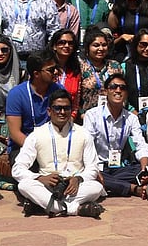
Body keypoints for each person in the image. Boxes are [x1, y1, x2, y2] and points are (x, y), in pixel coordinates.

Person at [13, 88, 105, 217]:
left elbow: (93, 167)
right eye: (57, 108)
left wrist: (78, 179)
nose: (62, 112)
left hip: (75, 187)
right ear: (49, 111)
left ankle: (46, 207)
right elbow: (17, 169)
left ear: (71, 111)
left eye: (66, 108)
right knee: (24, 185)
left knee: (96, 187)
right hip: (48, 186)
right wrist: (40, 178)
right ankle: (75, 209)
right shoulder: (37, 135)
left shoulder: (84, 134)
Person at [81, 73, 148, 199]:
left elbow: (140, 144)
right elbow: (87, 147)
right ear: (105, 91)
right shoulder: (92, 115)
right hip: (98, 166)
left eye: (122, 88)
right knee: (89, 174)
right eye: (113, 87)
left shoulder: (131, 118)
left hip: (120, 167)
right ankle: (132, 188)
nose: (118, 90)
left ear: (126, 93)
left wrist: (144, 169)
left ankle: (109, 185)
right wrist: (94, 170)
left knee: (141, 169)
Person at [4, 52, 66, 158]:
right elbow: (15, 133)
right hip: (23, 146)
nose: (55, 72)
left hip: (54, 145)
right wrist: (39, 149)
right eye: (51, 70)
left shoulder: (59, 90)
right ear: (36, 74)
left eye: (56, 68)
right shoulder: (16, 94)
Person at [78, 29, 123, 114]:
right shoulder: (80, 67)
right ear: (87, 47)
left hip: (113, 115)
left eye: (104, 45)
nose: (101, 48)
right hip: (88, 116)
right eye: (96, 45)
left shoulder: (115, 65)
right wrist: (81, 114)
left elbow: (123, 91)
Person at [48, 29, 83, 110]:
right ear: (54, 46)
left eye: (70, 43)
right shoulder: (46, 68)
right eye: (62, 42)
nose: (67, 46)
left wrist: (72, 115)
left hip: (68, 114)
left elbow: (76, 99)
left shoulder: (76, 69)